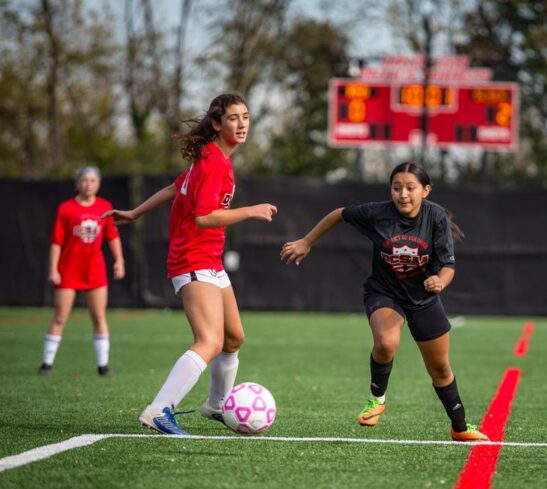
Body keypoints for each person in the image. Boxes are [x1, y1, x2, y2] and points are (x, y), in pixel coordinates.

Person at [102, 93, 277, 435]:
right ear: (216, 124)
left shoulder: (213, 159)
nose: (241, 124)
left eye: (245, 117)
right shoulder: (214, 162)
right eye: (233, 118)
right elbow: (203, 218)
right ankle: (158, 410)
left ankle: (215, 405)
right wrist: (251, 211)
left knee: (233, 338)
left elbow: (173, 187)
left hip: (210, 260)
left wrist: (135, 212)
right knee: (209, 341)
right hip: (192, 259)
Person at [280, 162, 489, 442]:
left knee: (440, 368)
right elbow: (338, 214)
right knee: (387, 342)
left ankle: (460, 427)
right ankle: (377, 399)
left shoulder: (436, 217)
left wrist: (440, 281)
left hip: (423, 299)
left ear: (425, 191)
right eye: (396, 187)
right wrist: (307, 241)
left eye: (411, 188)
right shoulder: (377, 213)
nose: (403, 194)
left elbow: (448, 266)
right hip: (384, 292)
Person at [39, 166, 125, 377]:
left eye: (93, 180)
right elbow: (56, 242)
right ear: (77, 183)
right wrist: (53, 269)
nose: (88, 184)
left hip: (94, 271)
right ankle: (46, 364)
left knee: (98, 316)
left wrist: (119, 261)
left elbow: (112, 236)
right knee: (60, 317)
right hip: (68, 270)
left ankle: (103, 366)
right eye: (84, 180)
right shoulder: (66, 208)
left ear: (98, 183)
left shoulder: (105, 207)